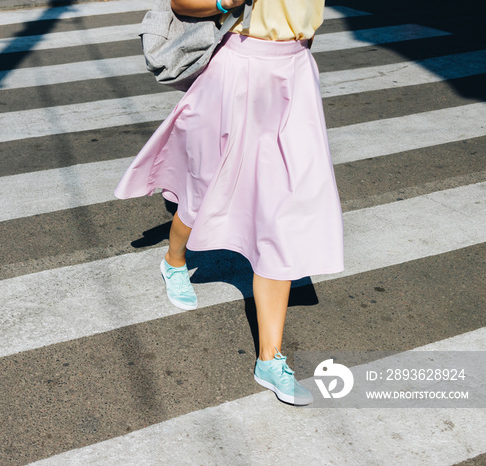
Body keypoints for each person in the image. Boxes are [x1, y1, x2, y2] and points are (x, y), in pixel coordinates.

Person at [115, 0, 344, 405]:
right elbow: (182, 3)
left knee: (281, 214)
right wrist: (225, 2)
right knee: (205, 189)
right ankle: (174, 261)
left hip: (296, 72)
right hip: (239, 71)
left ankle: (270, 360)